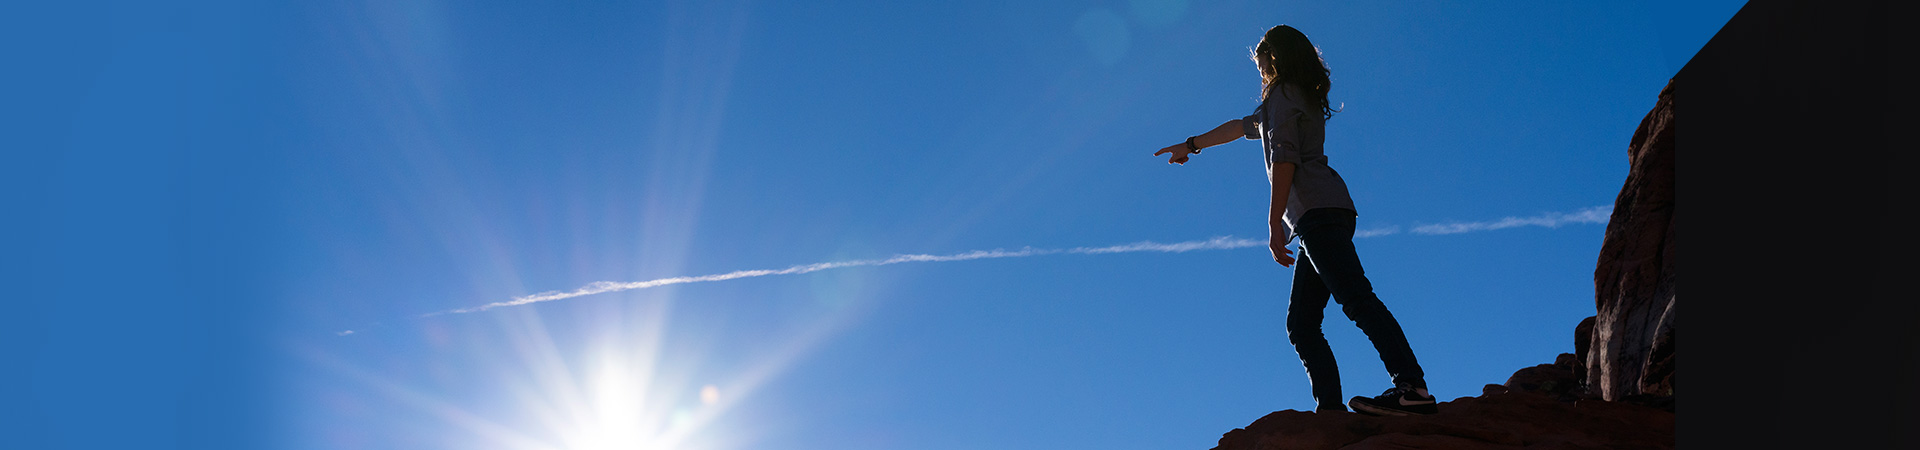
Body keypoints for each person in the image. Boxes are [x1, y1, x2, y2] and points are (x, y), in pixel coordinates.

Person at [1153, 25, 1436, 416]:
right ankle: (1332, 413)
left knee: (1355, 298)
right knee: (1302, 325)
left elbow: (1285, 158)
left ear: (1274, 58)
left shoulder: (1283, 94)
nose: (1260, 71)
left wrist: (1274, 223)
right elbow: (1239, 127)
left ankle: (1413, 389)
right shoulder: (1288, 98)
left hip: (1317, 213)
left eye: (1261, 63)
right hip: (1320, 214)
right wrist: (1190, 146)